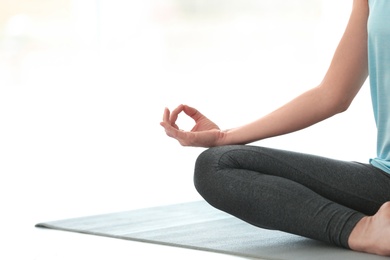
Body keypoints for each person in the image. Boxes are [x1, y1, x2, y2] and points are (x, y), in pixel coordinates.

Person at [160, 0, 390, 256]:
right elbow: (331, 95)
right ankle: (362, 230)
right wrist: (224, 137)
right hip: (384, 179)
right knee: (216, 165)